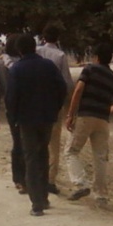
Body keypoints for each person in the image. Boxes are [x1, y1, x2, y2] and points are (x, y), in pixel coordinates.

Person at [4, 34, 67, 216]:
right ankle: (44, 197)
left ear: (20, 50)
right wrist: (54, 108)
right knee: (43, 154)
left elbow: (11, 97)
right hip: (47, 118)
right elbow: (61, 88)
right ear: (34, 47)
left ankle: (36, 204)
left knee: (30, 157)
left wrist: (14, 117)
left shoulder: (17, 69)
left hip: (26, 120)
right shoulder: (48, 66)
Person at [64, 42, 113, 205]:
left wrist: (70, 114)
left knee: (71, 151)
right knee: (100, 157)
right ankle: (101, 195)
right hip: (103, 120)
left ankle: (81, 183)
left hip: (85, 116)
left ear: (96, 57)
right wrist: (104, 110)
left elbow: (78, 90)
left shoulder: (90, 69)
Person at [36, 25, 73, 195]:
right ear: (58, 38)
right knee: (54, 143)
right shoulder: (60, 55)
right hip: (53, 103)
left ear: (43, 37)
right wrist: (69, 108)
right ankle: (50, 180)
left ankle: (36, 176)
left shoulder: (36, 51)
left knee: (37, 141)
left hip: (35, 103)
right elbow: (66, 82)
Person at [0, 35, 27, 195]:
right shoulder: (23, 62)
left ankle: (18, 179)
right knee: (29, 143)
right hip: (28, 107)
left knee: (17, 143)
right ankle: (29, 177)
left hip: (11, 108)